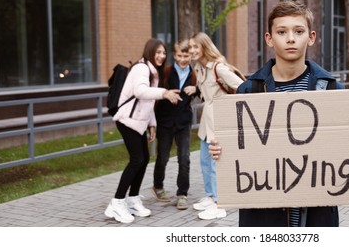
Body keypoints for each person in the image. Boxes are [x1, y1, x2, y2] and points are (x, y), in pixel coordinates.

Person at [208, 0, 349, 227]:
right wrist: (221, 150)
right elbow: (239, 150)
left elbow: (344, 146)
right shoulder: (249, 91)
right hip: (264, 218)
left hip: (316, 217)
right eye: (282, 32)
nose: (290, 38)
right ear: (269, 38)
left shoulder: (331, 90)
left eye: (298, 31)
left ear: (311, 37)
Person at [104, 38, 182, 224]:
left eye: (164, 53)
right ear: (149, 51)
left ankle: (132, 199)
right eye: (158, 52)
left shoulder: (152, 72)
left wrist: (151, 124)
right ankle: (117, 202)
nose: (162, 56)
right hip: (127, 120)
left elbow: (147, 103)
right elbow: (140, 92)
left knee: (144, 159)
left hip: (139, 121)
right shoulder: (141, 68)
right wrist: (164, 93)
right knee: (137, 159)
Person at [189, 32, 244, 220]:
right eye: (190, 48)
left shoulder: (218, 68)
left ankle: (219, 204)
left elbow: (242, 86)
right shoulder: (199, 68)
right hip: (207, 121)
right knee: (205, 160)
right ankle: (210, 196)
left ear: (205, 47)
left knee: (215, 163)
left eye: (195, 47)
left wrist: (230, 108)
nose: (192, 51)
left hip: (221, 120)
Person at [151, 39, 198, 210]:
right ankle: (158, 185)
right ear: (174, 55)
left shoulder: (194, 74)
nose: (183, 59)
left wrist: (197, 89)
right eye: (180, 55)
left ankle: (182, 194)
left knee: (184, 158)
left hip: (183, 122)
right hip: (165, 121)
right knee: (163, 156)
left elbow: (204, 90)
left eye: (186, 56)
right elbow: (155, 92)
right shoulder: (166, 72)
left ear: (190, 56)